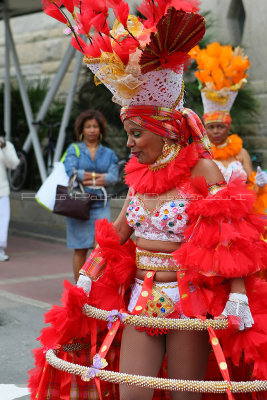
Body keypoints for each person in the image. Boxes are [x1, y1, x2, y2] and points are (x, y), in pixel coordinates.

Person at [28, 2, 267, 400]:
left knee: (183, 394)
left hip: (189, 300)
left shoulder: (202, 171)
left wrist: (239, 294)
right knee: (132, 393)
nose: (131, 143)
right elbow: (119, 231)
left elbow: (231, 237)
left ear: (166, 131)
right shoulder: (139, 176)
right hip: (141, 295)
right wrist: (87, 275)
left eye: (137, 133)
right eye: (129, 132)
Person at [191, 42, 267, 214]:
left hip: (240, 214)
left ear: (228, 127)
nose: (216, 131)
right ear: (205, 128)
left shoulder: (241, 153)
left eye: (220, 126)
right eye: (211, 127)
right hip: (210, 215)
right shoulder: (198, 152)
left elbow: (251, 186)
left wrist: (259, 184)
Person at [63, 109, 119, 281]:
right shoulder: (74, 149)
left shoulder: (109, 153)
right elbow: (71, 171)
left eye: (95, 126)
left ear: (100, 129)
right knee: (80, 249)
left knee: (99, 249)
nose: (92, 130)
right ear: (82, 130)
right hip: (78, 204)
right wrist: (99, 178)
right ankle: (79, 288)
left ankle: (94, 288)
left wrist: (87, 176)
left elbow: (113, 177)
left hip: (101, 204)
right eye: (88, 126)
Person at [0, 130, 20, 261]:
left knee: (2, 221)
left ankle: (0, 250)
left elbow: (14, 164)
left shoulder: (6, 145)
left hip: (2, 191)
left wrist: (4, 147)